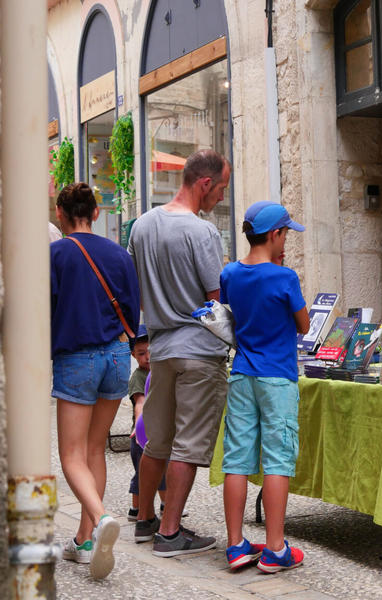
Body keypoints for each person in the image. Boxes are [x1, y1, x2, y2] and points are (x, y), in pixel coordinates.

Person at [128, 149, 231, 557]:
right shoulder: (201, 231)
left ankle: (145, 519)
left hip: (162, 348)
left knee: (157, 441)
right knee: (188, 444)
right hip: (198, 351)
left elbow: (137, 285)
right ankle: (170, 534)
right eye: (221, 188)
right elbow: (214, 300)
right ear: (204, 183)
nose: (221, 197)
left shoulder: (143, 225)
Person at [51, 182, 140, 579]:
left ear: (60, 214)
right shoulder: (119, 254)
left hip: (77, 357)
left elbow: (44, 308)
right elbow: (134, 311)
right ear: (97, 212)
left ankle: (102, 518)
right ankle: (85, 540)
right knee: (94, 450)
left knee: (70, 455)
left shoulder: (56, 254)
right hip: (118, 357)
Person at [220, 201, 309, 572]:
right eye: (286, 232)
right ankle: (275, 549)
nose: (286, 239)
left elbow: (229, 313)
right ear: (274, 235)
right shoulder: (284, 277)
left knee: (237, 459)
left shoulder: (230, 274)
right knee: (277, 459)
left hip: (242, 374)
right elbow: (303, 325)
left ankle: (236, 544)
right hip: (278, 378)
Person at [126, 326, 167, 523]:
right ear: (133, 355)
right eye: (142, 353)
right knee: (141, 476)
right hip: (141, 436)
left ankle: (166, 505)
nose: (148, 357)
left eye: (150, 351)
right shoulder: (138, 378)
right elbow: (140, 404)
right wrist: (138, 427)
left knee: (162, 471)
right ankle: (137, 508)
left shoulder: (160, 372)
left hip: (158, 432)